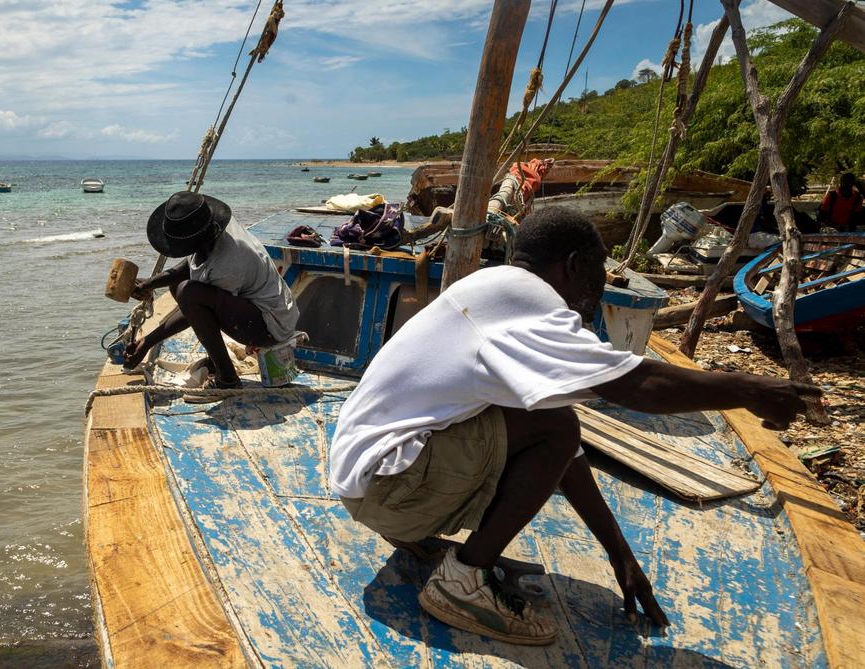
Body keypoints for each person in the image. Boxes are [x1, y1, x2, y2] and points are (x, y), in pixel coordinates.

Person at [328, 207, 820, 646]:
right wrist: (748, 389)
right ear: (574, 265)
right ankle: (462, 584)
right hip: (389, 490)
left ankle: (437, 542)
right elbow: (635, 386)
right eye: (601, 268)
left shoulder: (491, 290)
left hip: (369, 488)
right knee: (557, 425)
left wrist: (618, 553)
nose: (603, 282)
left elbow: (566, 454)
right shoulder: (527, 299)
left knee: (554, 426)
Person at [124, 191, 299, 389]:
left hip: (271, 326)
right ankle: (216, 362)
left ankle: (227, 378)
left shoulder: (228, 263)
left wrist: (147, 342)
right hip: (255, 308)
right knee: (178, 285)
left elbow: (191, 308)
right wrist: (150, 283)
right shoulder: (212, 228)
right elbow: (190, 266)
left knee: (188, 293)